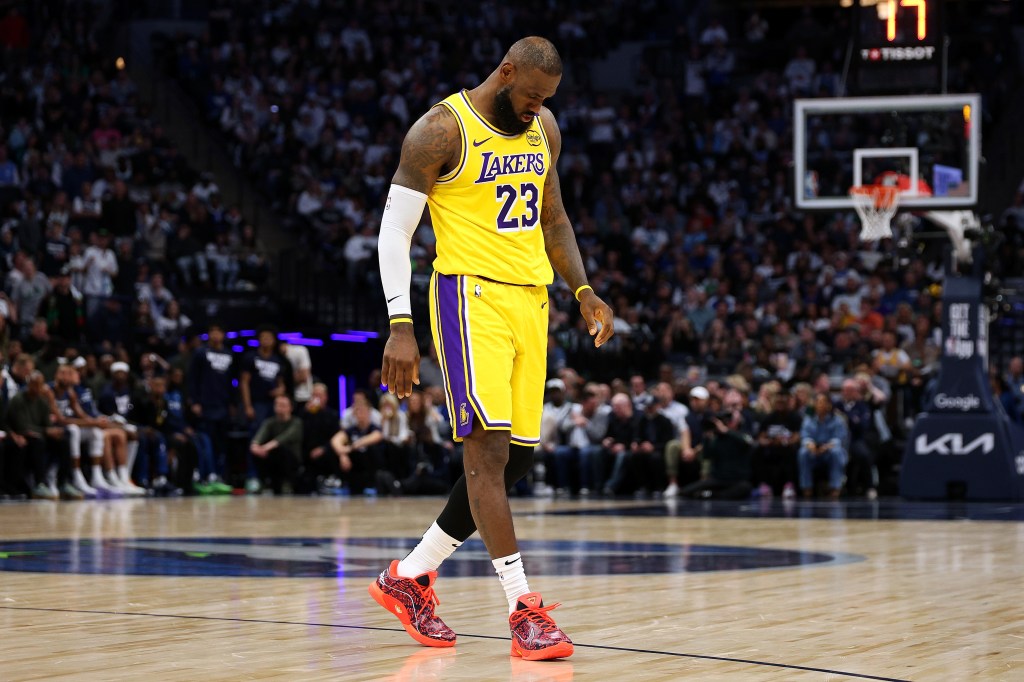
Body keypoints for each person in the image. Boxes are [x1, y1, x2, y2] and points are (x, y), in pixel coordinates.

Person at [370, 37, 614, 659]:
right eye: (531, 94)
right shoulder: (440, 131)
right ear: (505, 73)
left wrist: (583, 289)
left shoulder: (544, 128)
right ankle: (523, 609)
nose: (537, 107)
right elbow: (395, 232)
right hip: (467, 297)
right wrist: (401, 325)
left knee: (520, 460)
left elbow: (553, 218)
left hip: (532, 301)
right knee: (486, 456)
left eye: (546, 99)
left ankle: (409, 578)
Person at [798, 393, 849, 499]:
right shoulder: (809, 419)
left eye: (823, 402)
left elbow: (839, 439)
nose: (820, 405)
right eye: (818, 402)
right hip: (814, 452)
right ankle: (807, 488)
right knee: (803, 452)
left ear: (829, 405)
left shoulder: (837, 420)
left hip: (829, 451)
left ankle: (836, 488)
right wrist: (810, 445)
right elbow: (805, 436)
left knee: (836, 451)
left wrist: (826, 447)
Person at [249, 395, 303, 495]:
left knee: (281, 450)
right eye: (278, 405)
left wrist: (264, 448)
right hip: (273, 458)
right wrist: (255, 446)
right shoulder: (269, 422)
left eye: (283, 405)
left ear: (290, 408)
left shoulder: (296, 423)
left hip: (291, 460)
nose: (280, 408)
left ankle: (287, 484)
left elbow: (283, 438)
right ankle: (261, 482)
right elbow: (259, 437)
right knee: (257, 453)